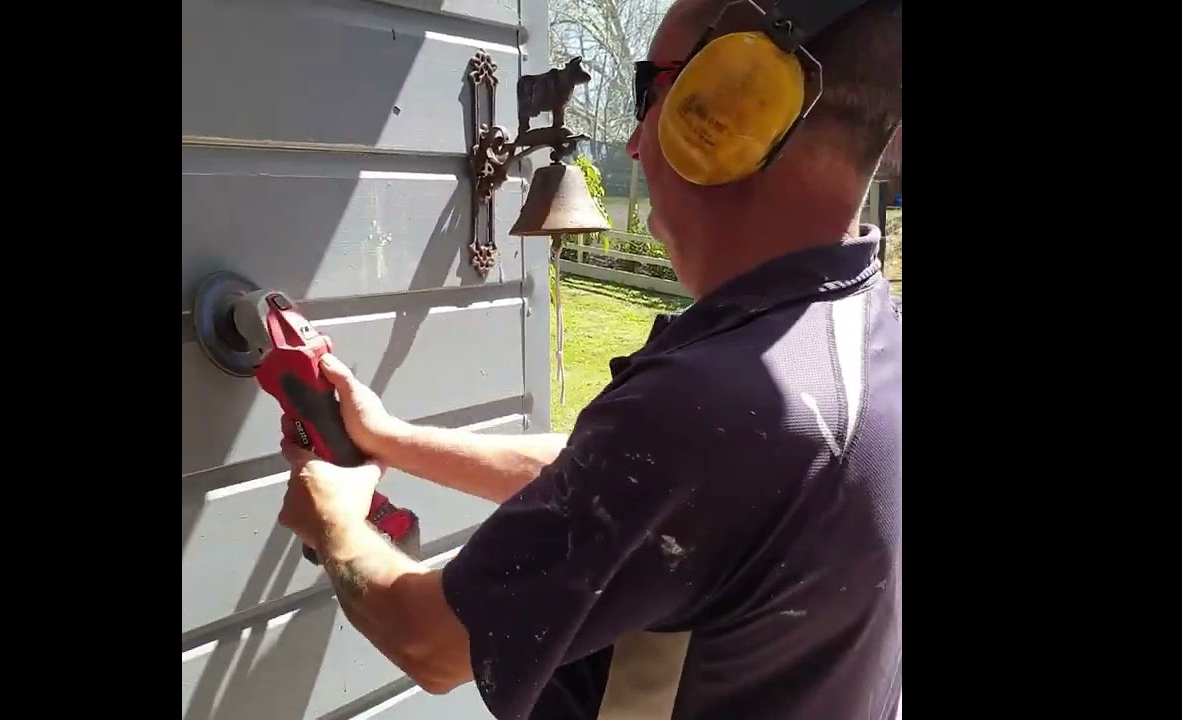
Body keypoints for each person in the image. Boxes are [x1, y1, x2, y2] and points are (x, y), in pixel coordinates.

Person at [274, 0, 902, 718]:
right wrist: (392, 440)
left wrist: (335, 521)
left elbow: (429, 641)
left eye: (653, 93)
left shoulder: (711, 412)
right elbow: (617, 485)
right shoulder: (854, 330)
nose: (635, 143)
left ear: (733, 109)